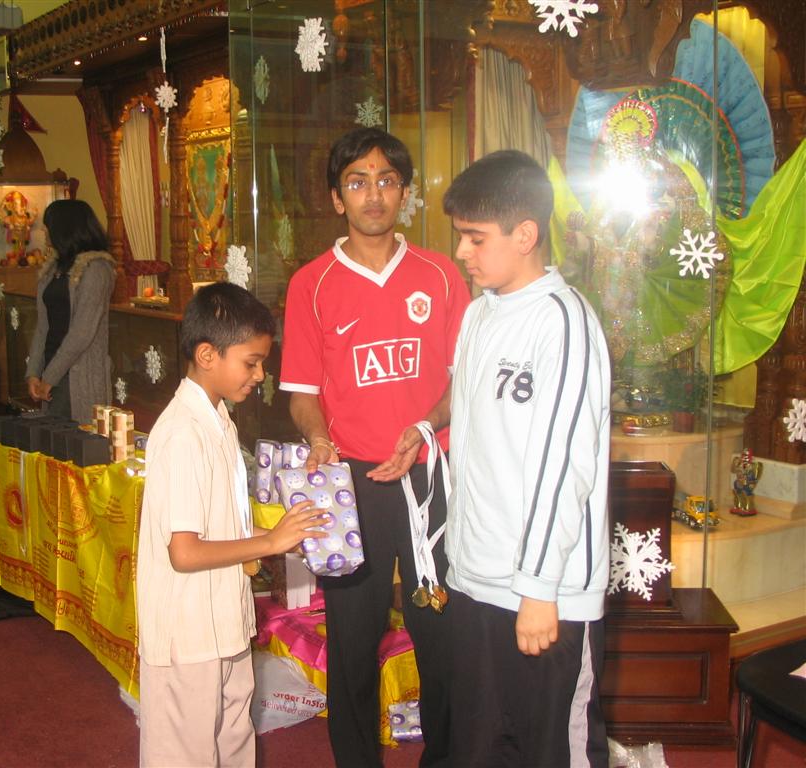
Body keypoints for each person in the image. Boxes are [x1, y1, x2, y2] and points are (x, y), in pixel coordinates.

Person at [280, 127, 470, 767]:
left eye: (387, 180)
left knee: (440, 634)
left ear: (406, 194)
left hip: (429, 478)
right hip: (350, 484)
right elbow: (302, 392)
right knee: (354, 642)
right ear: (337, 198)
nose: (373, 194)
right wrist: (316, 434)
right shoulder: (311, 284)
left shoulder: (442, 277)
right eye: (357, 181)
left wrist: (423, 430)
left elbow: (463, 382)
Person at [441, 150, 612, 767]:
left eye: (474, 238)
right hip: (478, 576)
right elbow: (478, 433)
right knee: (481, 747)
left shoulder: (564, 323)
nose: (462, 252)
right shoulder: (480, 312)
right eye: (461, 236)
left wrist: (540, 591)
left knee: (547, 752)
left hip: (545, 592)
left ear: (525, 234)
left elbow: (564, 462)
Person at [136, 282, 327, 768]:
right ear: (206, 354)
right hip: (188, 629)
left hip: (224, 620)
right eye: (251, 362)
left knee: (234, 739)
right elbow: (184, 552)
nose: (261, 375)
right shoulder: (181, 433)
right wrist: (269, 540)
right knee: (187, 753)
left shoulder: (219, 419)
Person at [25, 199, 115, 422]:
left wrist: (50, 377)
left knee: (76, 445)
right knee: (51, 442)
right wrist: (34, 372)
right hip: (52, 368)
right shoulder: (53, 268)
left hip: (78, 372)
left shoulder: (96, 268)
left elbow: (81, 333)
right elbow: (43, 326)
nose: (45, 232)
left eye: (48, 227)